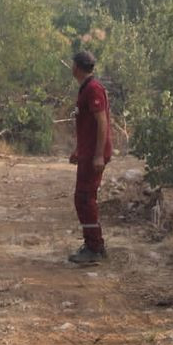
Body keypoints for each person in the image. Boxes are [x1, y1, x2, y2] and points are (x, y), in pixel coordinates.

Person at [68, 50, 112, 264]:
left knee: (85, 199)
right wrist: (80, 150)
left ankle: (94, 248)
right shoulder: (86, 88)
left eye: (73, 64)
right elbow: (88, 126)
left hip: (95, 155)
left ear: (77, 67)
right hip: (88, 153)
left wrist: (98, 156)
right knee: (83, 199)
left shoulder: (93, 89)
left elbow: (102, 122)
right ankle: (93, 245)